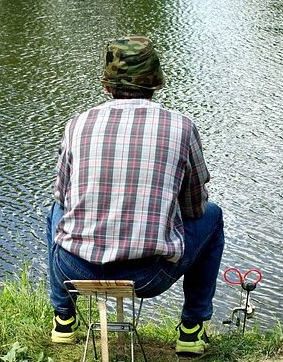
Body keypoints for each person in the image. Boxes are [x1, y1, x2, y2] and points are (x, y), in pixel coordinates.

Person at [46, 35, 225, 355]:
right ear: (155, 82)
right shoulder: (182, 127)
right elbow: (195, 208)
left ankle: (63, 318)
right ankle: (191, 329)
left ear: (107, 84)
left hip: (76, 270)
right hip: (148, 277)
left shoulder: (78, 124)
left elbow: (62, 195)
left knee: (54, 211)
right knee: (213, 216)